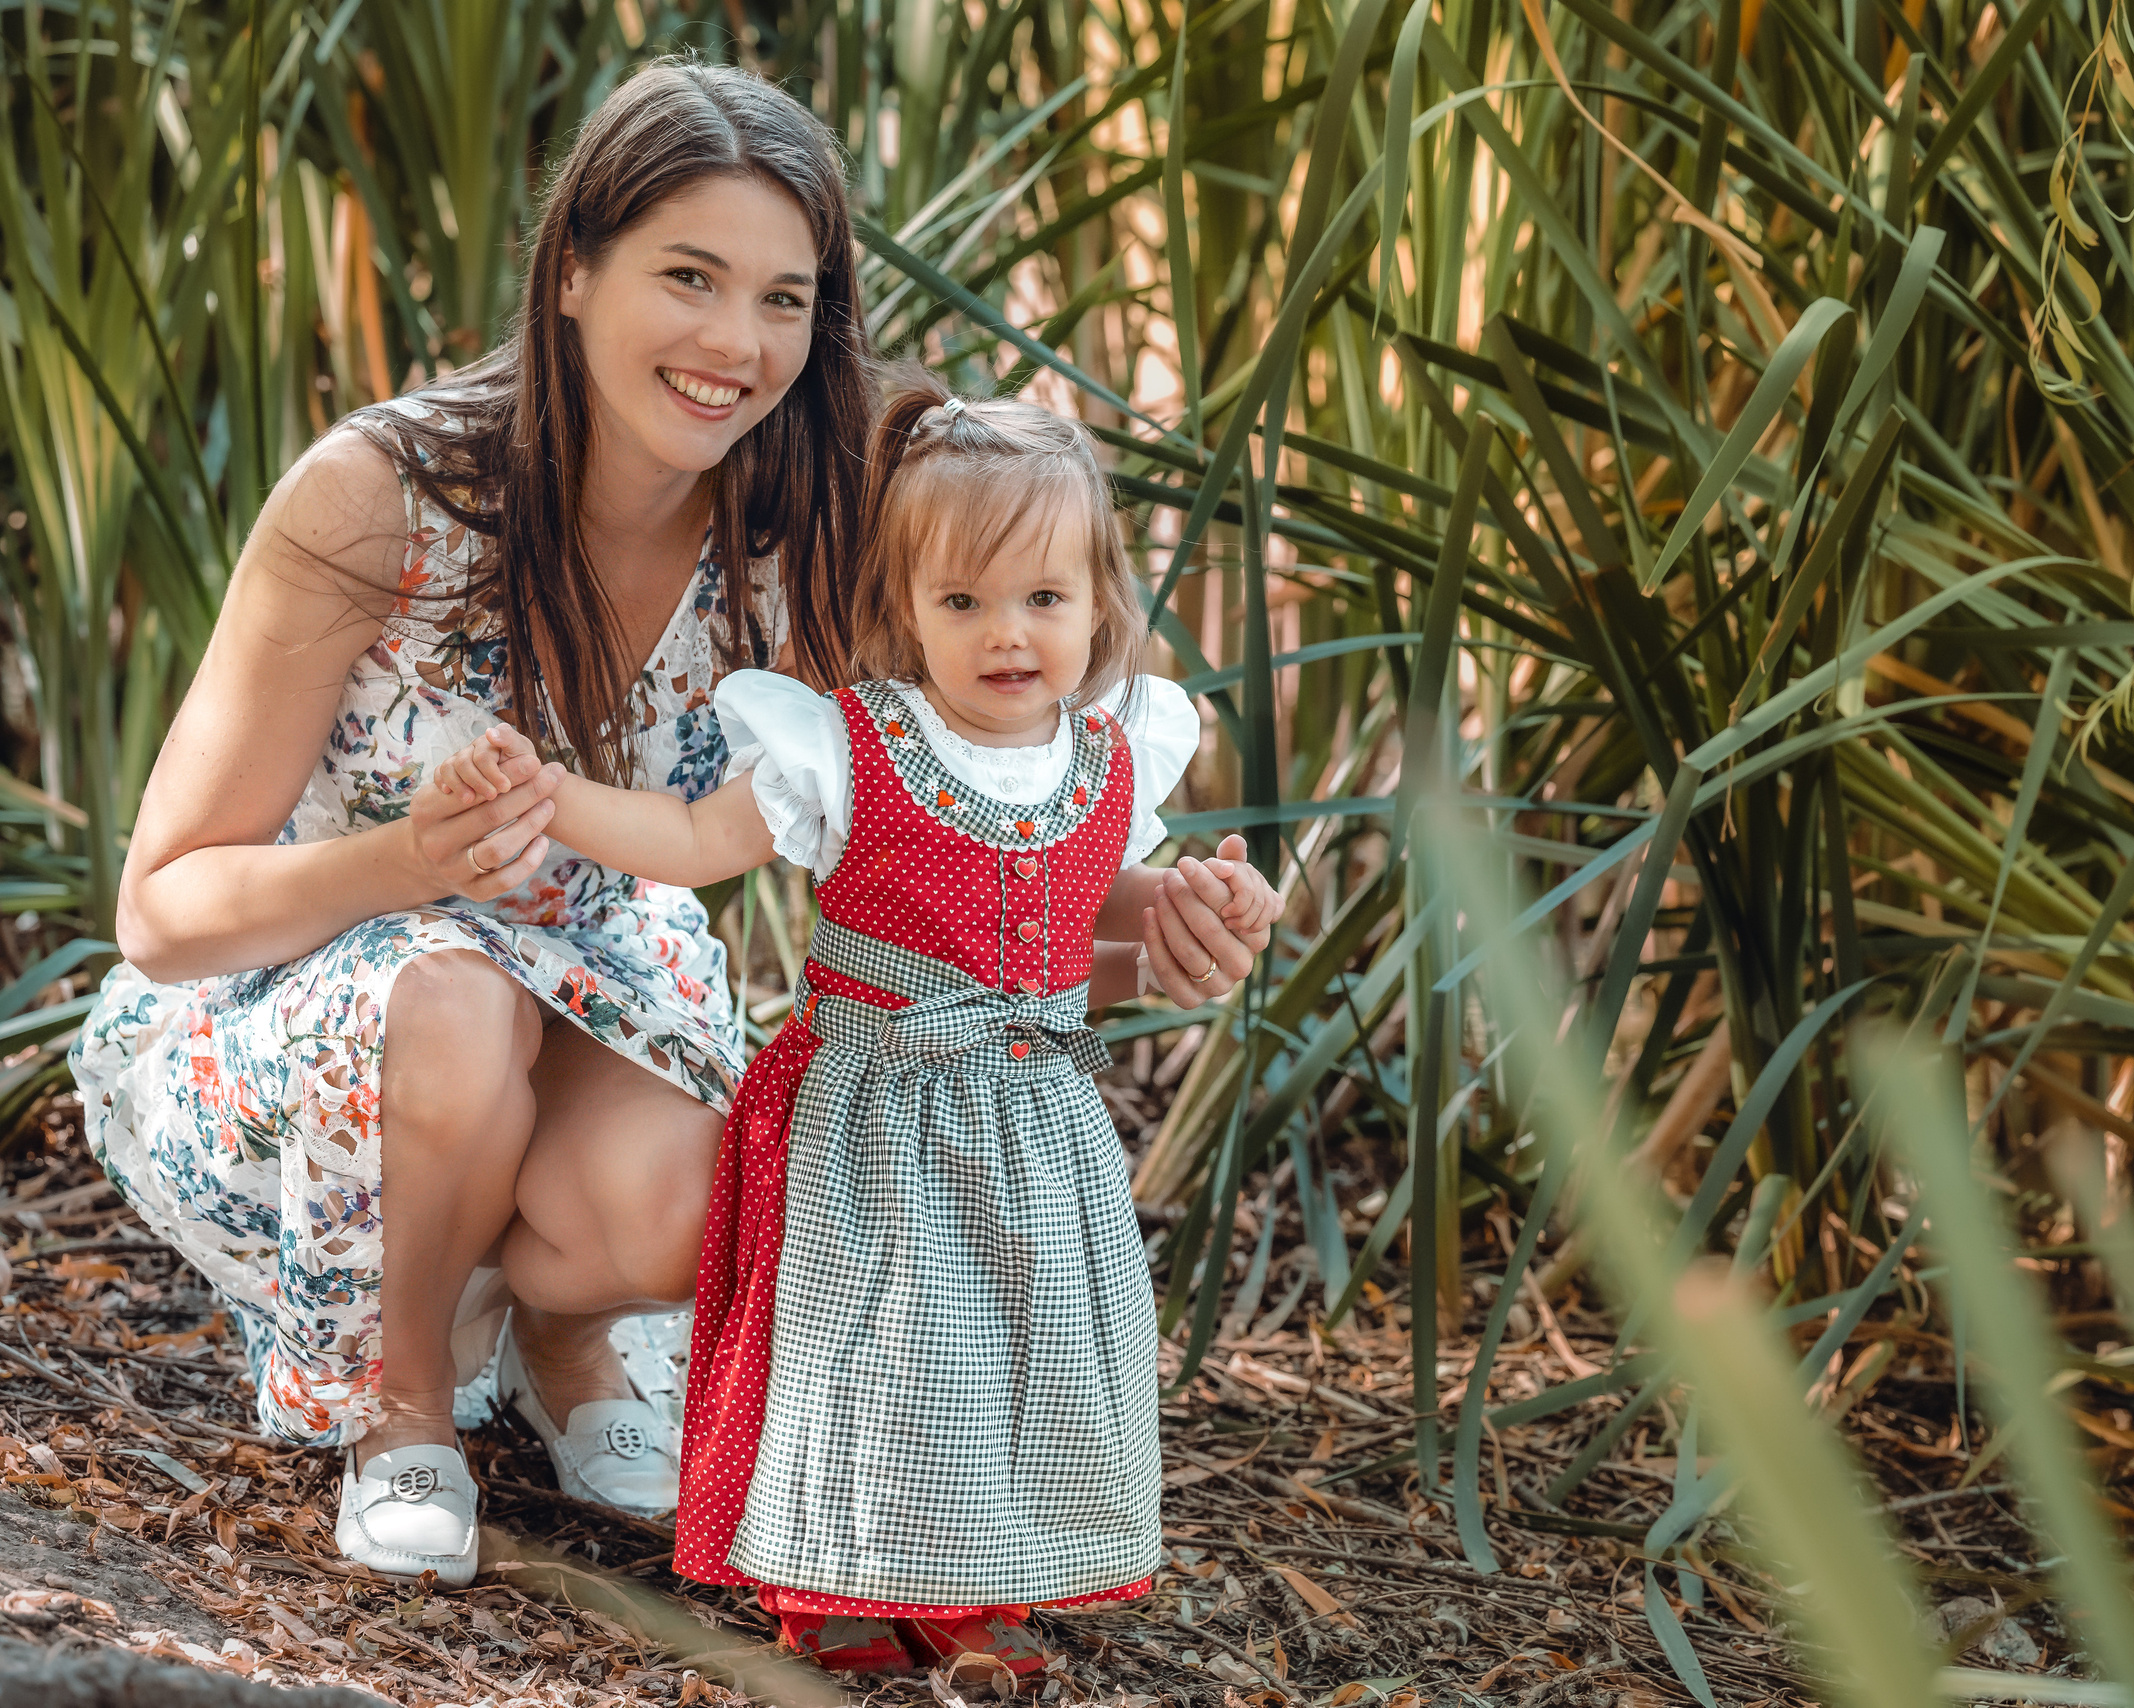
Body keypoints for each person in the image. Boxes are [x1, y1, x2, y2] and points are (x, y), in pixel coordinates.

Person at [68, 60, 1267, 1591]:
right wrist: (412, 861)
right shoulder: (379, 499)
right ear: (573, 267)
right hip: (310, 991)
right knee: (451, 991)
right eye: (687, 277)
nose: (735, 345)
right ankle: (404, 1408)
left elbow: (932, 817)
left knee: (714, 1179)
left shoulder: (813, 524)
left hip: (602, 975)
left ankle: (570, 1337)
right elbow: (165, 911)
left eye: (785, 299)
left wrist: (1147, 910)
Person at [426, 372, 1281, 1675]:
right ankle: (836, 1579)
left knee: (1016, 1341)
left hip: (1033, 1117)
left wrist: (1193, 908)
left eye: (1044, 598)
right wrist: (553, 795)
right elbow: (694, 838)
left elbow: (1080, 917)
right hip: (876, 1111)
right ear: (905, 609)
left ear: (1100, 596)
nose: (1010, 634)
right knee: (877, 1348)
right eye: (964, 602)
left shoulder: (1113, 753)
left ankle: (983, 1576)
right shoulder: (854, 749)